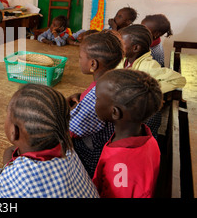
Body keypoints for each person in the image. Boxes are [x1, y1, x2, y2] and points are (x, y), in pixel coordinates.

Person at [0, 84, 99, 198]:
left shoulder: (23, 176)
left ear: (14, 132)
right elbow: (11, 151)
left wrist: (9, 171)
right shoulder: (68, 148)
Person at [92, 69, 162, 198]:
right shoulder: (147, 137)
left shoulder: (121, 166)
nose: (94, 101)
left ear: (115, 112)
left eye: (97, 98)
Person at [67, 30, 124, 177]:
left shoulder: (98, 93)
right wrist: (81, 96)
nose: (79, 60)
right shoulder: (111, 81)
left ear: (93, 63)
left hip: (89, 157)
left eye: (80, 57)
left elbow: (72, 131)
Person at [116, 24, 186, 94]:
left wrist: (149, 90)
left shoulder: (149, 66)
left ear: (136, 48)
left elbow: (179, 80)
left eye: (121, 43)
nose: (118, 46)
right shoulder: (123, 60)